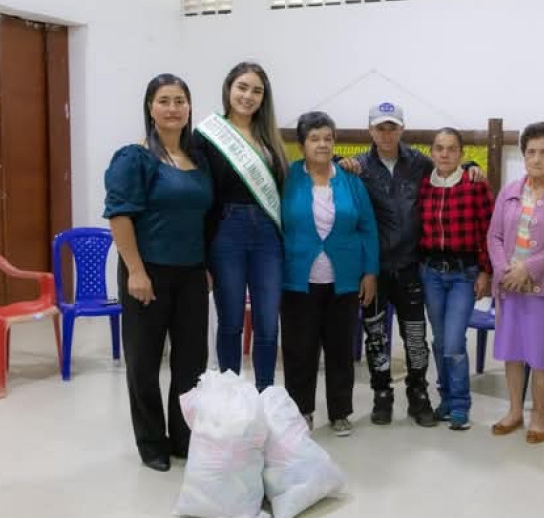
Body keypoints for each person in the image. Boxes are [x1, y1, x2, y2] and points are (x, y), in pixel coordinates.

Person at [344, 102, 483, 427]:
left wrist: (472, 164)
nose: (386, 134)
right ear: (370, 131)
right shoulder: (358, 166)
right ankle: (382, 395)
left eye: (392, 127)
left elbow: (447, 169)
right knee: (375, 337)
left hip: (411, 266)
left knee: (416, 337)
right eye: (380, 128)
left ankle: (418, 395)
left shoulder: (419, 163)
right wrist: (339, 161)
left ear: (402, 129)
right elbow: (333, 176)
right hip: (375, 269)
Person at [104, 74, 212, 472]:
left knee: (191, 362)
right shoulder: (134, 157)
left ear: (189, 107)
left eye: (180, 100)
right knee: (144, 362)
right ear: (150, 108)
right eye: (164, 100)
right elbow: (119, 215)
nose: (173, 108)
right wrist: (135, 271)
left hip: (192, 274)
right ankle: (151, 442)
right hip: (147, 273)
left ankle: (183, 437)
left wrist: (206, 266)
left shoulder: (199, 159)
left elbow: (205, 217)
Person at [280, 111, 379, 437]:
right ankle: (301, 411)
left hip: (344, 280)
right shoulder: (288, 178)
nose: (322, 144)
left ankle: (340, 412)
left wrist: (370, 272)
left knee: (340, 349)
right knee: (299, 350)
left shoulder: (351, 181)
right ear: (302, 145)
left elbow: (368, 228)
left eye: (327, 138)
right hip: (298, 280)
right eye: (314, 139)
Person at [195, 62, 289, 391]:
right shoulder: (207, 135)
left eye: (257, 91)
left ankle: (266, 394)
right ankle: (230, 396)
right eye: (242, 87)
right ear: (229, 89)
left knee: (268, 322)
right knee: (231, 321)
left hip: (268, 234)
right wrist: (203, 255)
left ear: (264, 98)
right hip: (226, 231)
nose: (248, 96)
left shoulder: (269, 139)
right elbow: (202, 194)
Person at [488, 122, 544, 444]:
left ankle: (539, 415)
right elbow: (494, 236)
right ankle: (514, 411)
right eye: (531, 152)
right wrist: (504, 271)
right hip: (509, 287)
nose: (536, 158)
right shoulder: (509, 192)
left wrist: (527, 268)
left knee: (540, 356)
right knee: (512, 352)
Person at [418, 128, 494, 431]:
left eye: (452, 148)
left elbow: (489, 230)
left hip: (464, 274)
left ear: (462, 154)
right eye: (439, 148)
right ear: (432, 152)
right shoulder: (425, 185)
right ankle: (446, 399)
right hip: (431, 273)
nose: (445, 154)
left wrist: (486, 271)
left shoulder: (474, 185)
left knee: (453, 341)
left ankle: (461, 403)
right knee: (439, 340)